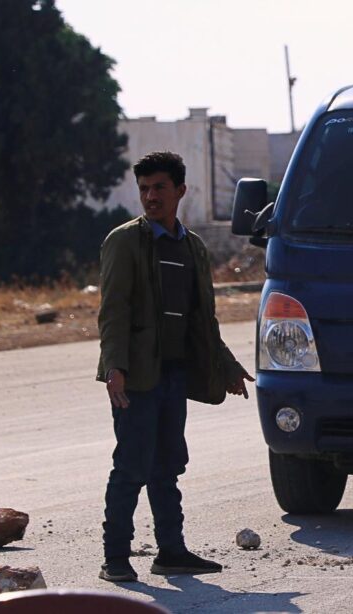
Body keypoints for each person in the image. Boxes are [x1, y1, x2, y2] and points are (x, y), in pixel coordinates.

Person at [96, 151, 254, 582]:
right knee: (131, 466)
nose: (150, 197)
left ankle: (171, 551)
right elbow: (113, 313)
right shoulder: (125, 241)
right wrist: (115, 367)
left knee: (167, 466)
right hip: (135, 376)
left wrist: (227, 364)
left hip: (173, 374)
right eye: (144, 189)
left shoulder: (192, 247)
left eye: (159, 187)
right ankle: (115, 558)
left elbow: (203, 319)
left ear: (180, 190)